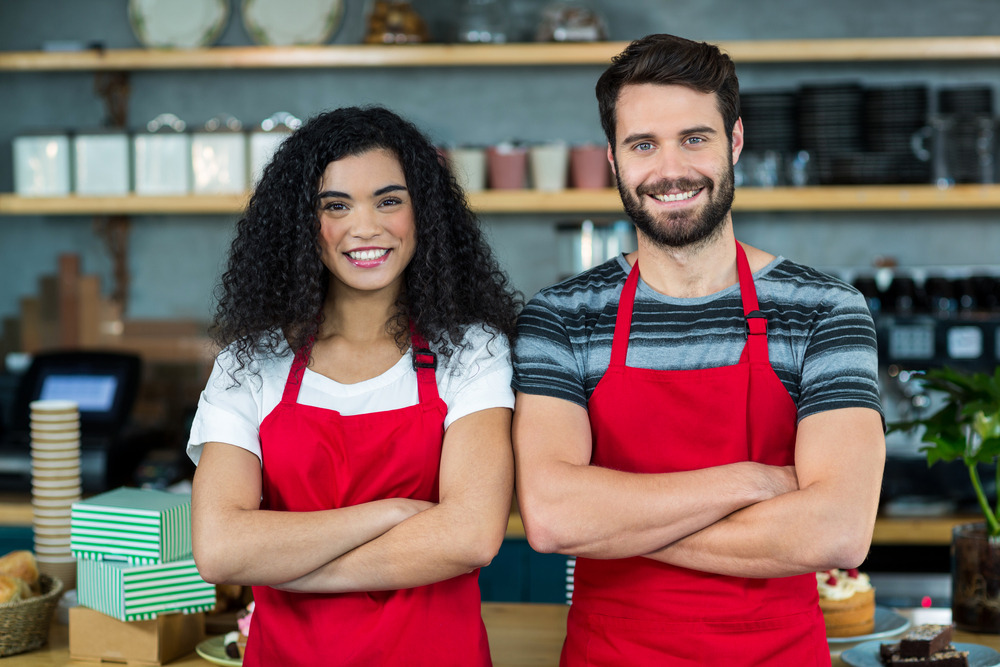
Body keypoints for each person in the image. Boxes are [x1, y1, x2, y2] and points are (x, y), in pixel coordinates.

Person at [512, 34, 885, 666]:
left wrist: (616, 520)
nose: (670, 170)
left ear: (734, 140)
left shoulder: (826, 309)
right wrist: (752, 483)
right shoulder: (561, 318)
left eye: (694, 138)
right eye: (643, 144)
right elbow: (552, 518)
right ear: (612, 159)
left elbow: (838, 531)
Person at [188, 106, 520, 666]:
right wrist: (389, 513)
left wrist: (284, 564)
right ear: (300, 224)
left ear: (424, 214)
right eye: (335, 206)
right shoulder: (249, 365)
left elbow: (470, 537)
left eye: (389, 200)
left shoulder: (473, 353)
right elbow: (220, 550)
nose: (366, 227)